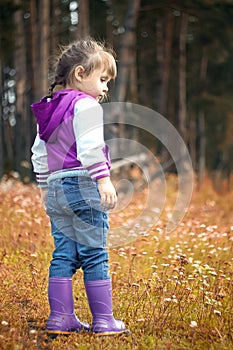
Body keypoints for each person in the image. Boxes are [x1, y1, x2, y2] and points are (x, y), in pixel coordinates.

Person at [31, 38, 129, 337]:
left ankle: (61, 319)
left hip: (57, 189)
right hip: (83, 185)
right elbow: (90, 147)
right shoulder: (85, 104)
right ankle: (104, 321)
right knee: (95, 254)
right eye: (102, 79)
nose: (106, 87)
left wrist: (46, 189)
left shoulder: (48, 109)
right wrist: (103, 178)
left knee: (63, 254)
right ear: (79, 74)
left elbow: (38, 152)